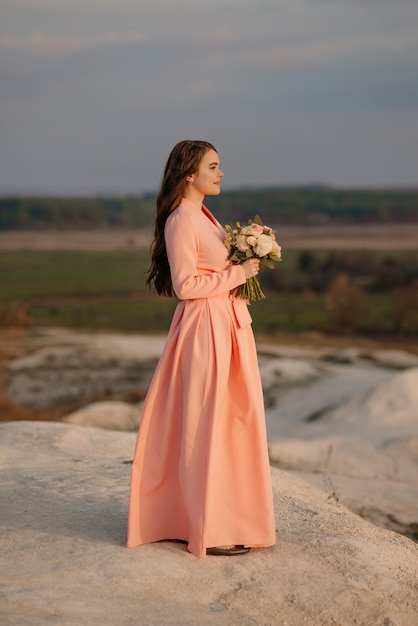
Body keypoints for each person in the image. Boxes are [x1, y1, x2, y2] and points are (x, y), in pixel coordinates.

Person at [127, 140, 276, 558]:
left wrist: (240, 272)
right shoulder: (181, 220)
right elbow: (185, 286)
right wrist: (239, 272)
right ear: (189, 174)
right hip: (205, 330)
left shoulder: (205, 216)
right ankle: (205, 526)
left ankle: (228, 518)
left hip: (227, 327)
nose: (221, 172)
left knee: (232, 423)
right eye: (213, 166)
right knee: (206, 424)